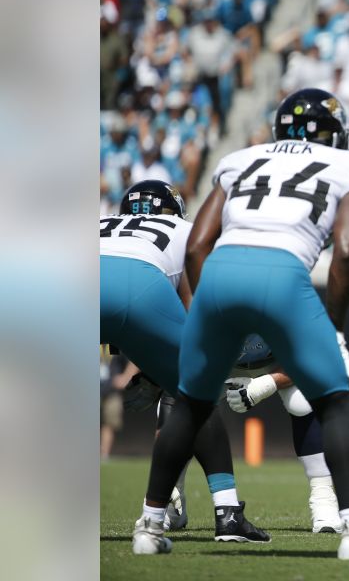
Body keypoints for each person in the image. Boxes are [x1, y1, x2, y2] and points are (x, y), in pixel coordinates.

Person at [128, 89, 349, 561]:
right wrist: (333, 324)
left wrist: (211, 311)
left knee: (190, 403)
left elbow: (196, 247)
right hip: (283, 274)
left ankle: (149, 525)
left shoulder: (242, 159)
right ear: (336, 133)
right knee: (335, 401)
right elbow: (348, 250)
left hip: (219, 276)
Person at [102, 179, 269, 544]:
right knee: (198, 393)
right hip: (138, 284)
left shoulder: (100, 224)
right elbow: (193, 318)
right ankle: (225, 515)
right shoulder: (185, 229)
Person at [223, 336, 345, 534]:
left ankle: (324, 498)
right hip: (219, 361)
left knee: (303, 401)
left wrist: (266, 384)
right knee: (181, 402)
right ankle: (172, 499)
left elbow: (310, 355)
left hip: (278, 362)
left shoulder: (294, 306)